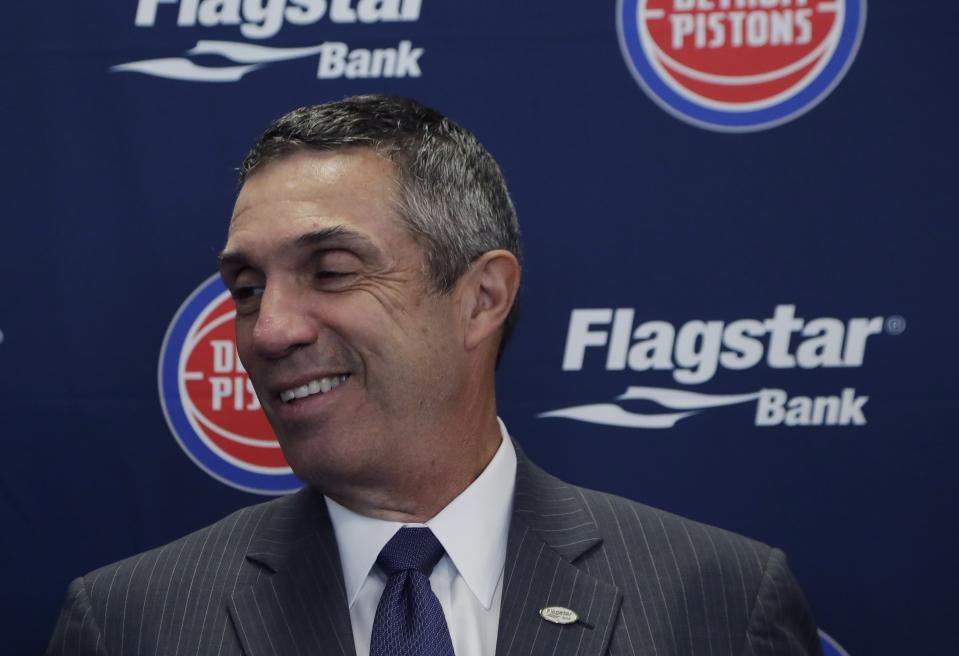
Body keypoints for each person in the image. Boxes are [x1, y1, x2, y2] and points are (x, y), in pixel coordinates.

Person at [47, 95, 822, 655]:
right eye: (246, 290)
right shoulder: (129, 623)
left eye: (332, 271)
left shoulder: (717, 600)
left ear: (480, 297)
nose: (271, 329)